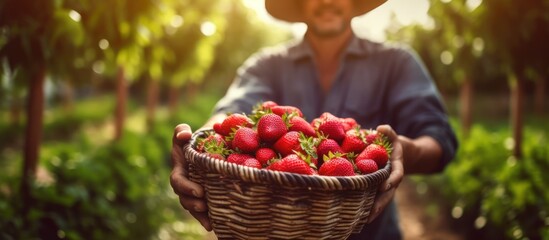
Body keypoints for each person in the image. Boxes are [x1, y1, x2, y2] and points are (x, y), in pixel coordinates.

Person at [170, 0, 458, 239]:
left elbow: (439, 139)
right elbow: (230, 114)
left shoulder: (397, 62)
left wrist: (403, 150)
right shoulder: (267, 65)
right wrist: (198, 144)